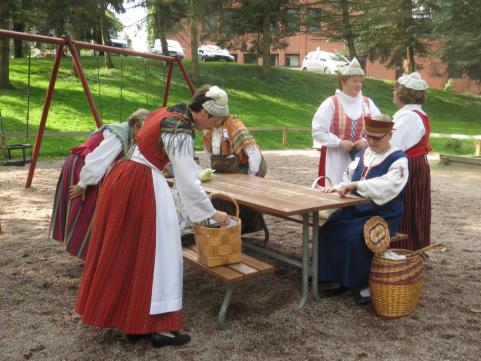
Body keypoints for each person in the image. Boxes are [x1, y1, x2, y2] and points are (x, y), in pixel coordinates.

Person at [75, 90, 230, 348]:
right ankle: (158, 327)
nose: (214, 126)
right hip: (142, 185)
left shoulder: (166, 112)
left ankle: (132, 321)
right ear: (204, 112)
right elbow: (187, 179)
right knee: (161, 254)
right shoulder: (179, 127)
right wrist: (211, 212)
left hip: (125, 177)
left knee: (130, 253)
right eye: (215, 121)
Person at [317, 115, 409, 305]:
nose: (372, 141)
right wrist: (337, 187)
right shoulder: (362, 154)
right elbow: (349, 177)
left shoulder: (399, 160)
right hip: (356, 208)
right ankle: (329, 275)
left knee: (354, 237)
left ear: (390, 135)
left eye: (378, 138)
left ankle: (358, 283)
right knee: (328, 229)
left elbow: (388, 185)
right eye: (369, 137)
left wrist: (356, 186)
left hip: (382, 213)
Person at [49, 109, 149, 260]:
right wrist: (83, 183)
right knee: (89, 209)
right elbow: (99, 160)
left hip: (83, 165)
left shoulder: (125, 133)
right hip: (82, 166)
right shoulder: (118, 136)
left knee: (90, 210)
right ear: (137, 125)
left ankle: (88, 252)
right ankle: (86, 252)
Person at [200, 85, 268, 235]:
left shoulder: (235, 126)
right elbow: (209, 152)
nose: (210, 118)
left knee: (234, 197)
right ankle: (226, 227)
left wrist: (250, 180)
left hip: (246, 169)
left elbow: (254, 155)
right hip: (227, 171)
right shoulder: (209, 130)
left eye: (213, 115)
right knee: (217, 193)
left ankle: (241, 226)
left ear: (220, 115)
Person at [312, 57, 381, 187]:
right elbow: (318, 131)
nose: (358, 85)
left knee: (357, 191)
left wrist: (366, 142)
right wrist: (338, 143)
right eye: (354, 81)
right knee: (333, 190)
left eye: (360, 81)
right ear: (343, 81)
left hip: (361, 158)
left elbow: (379, 128)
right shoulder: (331, 103)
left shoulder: (367, 103)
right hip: (335, 158)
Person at [390, 72, 431, 251]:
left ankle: (407, 248)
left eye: (395, 90)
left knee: (408, 206)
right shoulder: (412, 114)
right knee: (414, 205)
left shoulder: (410, 117)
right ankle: (413, 246)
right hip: (415, 164)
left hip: (410, 166)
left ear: (402, 95)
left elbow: (394, 145)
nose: (393, 94)